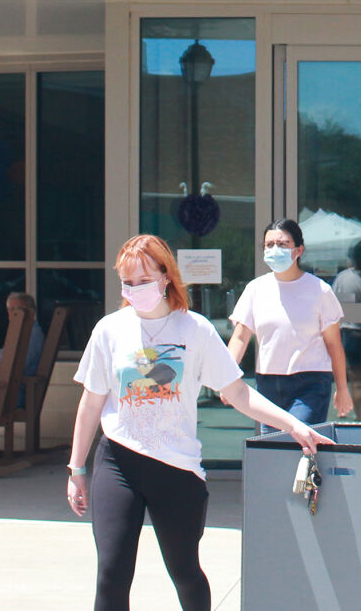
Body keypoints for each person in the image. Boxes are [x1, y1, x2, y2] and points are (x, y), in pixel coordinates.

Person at [67, 234, 330, 611]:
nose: (134, 290)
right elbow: (92, 402)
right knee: (111, 572)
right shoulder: (109, 330)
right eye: (127, 282)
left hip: (176, 467)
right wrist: (77, 467)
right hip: (118, 461)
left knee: (185, 571)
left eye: (143, 280)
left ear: (166, 277)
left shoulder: (195, 330)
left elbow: (238, 393)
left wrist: (293, 425)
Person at [228, 219, 354, 425]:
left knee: (298, 440)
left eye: (283, 244)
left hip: (310, 383)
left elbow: (334, 344)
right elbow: (240, 337)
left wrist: (342, 389)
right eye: (269, 245)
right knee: (273, 449)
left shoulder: (319, 290)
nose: (275, 249)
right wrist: (228, 379)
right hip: (267, 382)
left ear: (299, 250)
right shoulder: (255, 289)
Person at [331, 239, 361, 418]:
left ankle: (359, 417)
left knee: (357, 382)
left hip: (350, 335)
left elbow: (337, 308)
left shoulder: (343, 278)